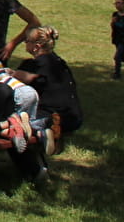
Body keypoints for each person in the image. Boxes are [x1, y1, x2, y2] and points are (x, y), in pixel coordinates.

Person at [13, 26, 83, 155]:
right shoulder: (60, 63)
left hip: (54, 117)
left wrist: (9, 73)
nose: (25, 43)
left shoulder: (33, 65)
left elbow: (15, 84)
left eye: (27, 41)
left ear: (37, 46)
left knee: (15, 122)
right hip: (74, 116)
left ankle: (42, 131)